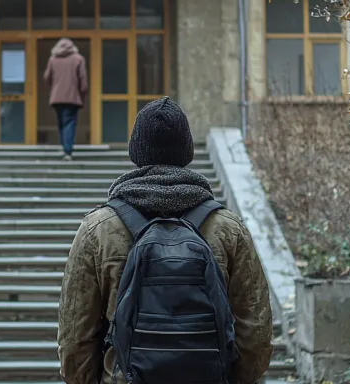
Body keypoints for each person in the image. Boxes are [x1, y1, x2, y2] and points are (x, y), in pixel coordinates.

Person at [57, 97, 273, 384]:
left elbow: (75, 336)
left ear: (136, 152)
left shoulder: (98, 229)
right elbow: (255, 331)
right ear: (187, 152)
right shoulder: (228, 229)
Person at [44, 38, 87, 160]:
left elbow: (47, 77)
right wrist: (82, 95)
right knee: (69, 123)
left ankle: (64, 146)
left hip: (56, 97)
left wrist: (55, 87)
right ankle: (67, 151)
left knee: (61, 122)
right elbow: (83, 81)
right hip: (72, 98)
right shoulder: (78, 59)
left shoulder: (53, 59)